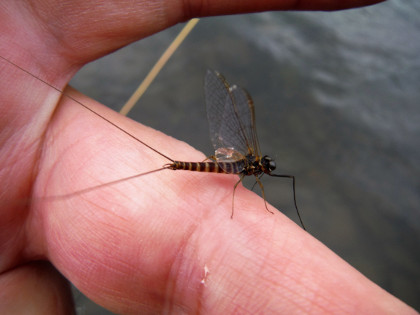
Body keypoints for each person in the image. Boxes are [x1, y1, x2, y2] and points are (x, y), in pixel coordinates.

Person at [0, 0, 416, 313]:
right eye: (264, 167)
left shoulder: (248, 163)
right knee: (206, 174)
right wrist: (239, 195)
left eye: (264, 168)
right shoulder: (246, 168)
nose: (266, 170)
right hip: (209, 167)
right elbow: (239, 181)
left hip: (217, 165)